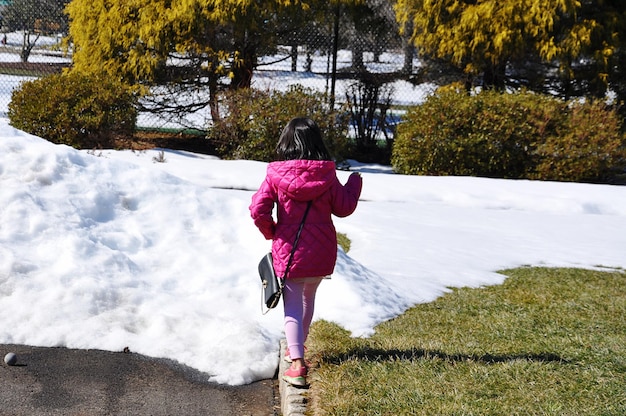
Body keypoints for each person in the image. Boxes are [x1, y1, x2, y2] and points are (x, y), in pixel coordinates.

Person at [249, 117, 362, 387]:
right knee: (307, 298)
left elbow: (258, 210)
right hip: (321, 250)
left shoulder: (276, 175)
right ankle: (297, 347)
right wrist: (355, 184)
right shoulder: (327, 174)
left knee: (291, 305)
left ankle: (297, 364)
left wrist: (272, 231)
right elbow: (344, 208)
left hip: (289, 249)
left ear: (286, 142)